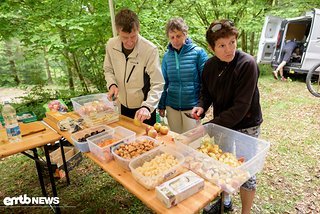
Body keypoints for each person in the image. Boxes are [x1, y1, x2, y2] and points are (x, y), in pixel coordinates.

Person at [191, 20, 263, 214]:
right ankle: (226, 202)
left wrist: (208, 126)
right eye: (222, 45)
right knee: (222, 166)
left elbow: (241, 108)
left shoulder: (247, 64)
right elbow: (206, 93)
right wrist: (201, 106)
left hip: (246, 124)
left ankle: (245, 212)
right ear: (212, 47)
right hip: (222, 124)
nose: (229, 49)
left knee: (245, 172)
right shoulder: (209, 66)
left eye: (232, 42)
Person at [103, 9, 164, 125]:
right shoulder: (111, 45)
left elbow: (158, 83)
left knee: (145, 142)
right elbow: (108, 69)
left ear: (138, 29)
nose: (130, 42)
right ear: (117, 31)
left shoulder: (150, 50)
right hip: (122, 106)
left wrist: (148, 106)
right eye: (125, 37)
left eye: (133, 36)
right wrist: (112, 84)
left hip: (144, 109)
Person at [158, 17, 208, 134]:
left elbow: (206, 82)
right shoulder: (166, 57)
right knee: (176, 141)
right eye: (172, 37)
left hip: (192, 107)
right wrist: (161, 104)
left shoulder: (198, 53)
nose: (175, 40)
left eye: (178, 36)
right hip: (172, 107)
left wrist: (202, 104)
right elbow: (163, 82)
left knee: (193, 143)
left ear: (185, 34)